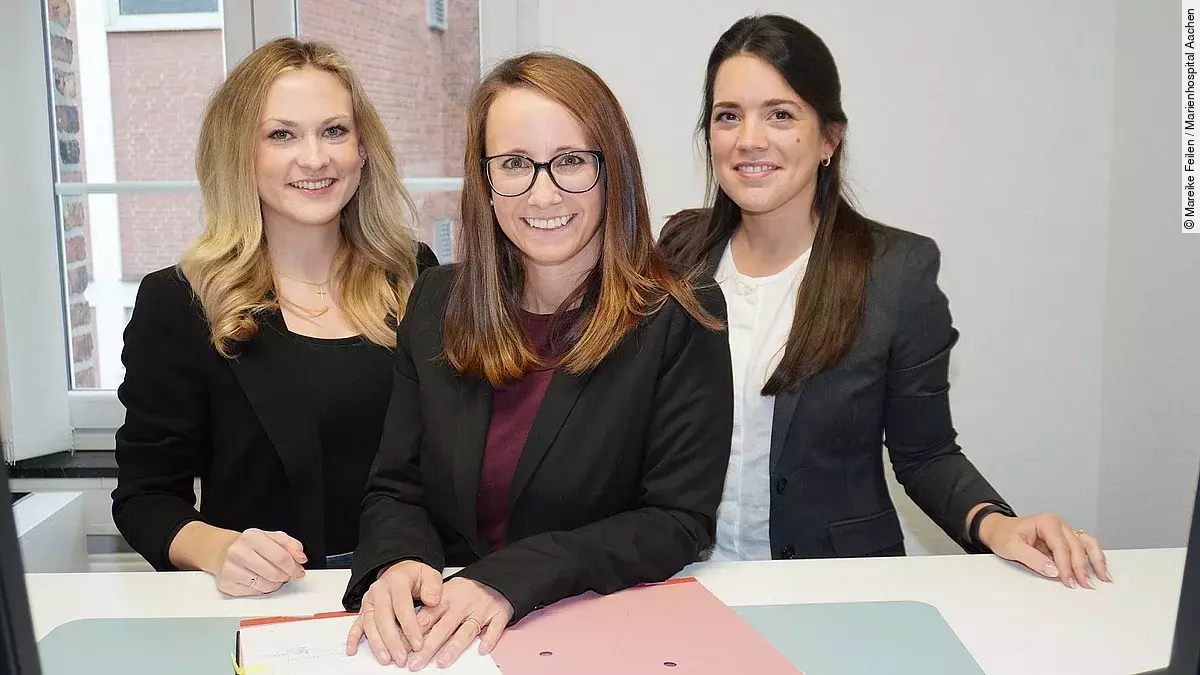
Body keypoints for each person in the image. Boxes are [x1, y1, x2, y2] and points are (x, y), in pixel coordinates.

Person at [658, 14, 1110, 589]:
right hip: (686, 581)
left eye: (780, 114)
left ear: (829, 137)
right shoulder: (678, 251)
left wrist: (998, 526)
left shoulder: (897, 271)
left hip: (839, 590)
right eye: (728, 116)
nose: (750, 138)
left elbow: (926, 455)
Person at [341, 52, 733, 671]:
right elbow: (398, 485)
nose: (542, 192)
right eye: (515, 164)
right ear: (485, 179)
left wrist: (510, 578)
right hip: (448, 636)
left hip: (594, 630)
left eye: (572, 162)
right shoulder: (437, 301)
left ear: (614, 171)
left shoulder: (678, 315)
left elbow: (677, 521)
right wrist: (397, 562)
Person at [111, 37, 438, 596]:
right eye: (281, 134)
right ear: (240, 152)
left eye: (334, 130)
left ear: (363, 149)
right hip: (273, 603)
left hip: (416, 591)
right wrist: (219, 549)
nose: (315, 158)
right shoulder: (181, 301)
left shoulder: (415, 276)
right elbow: (145, 497)